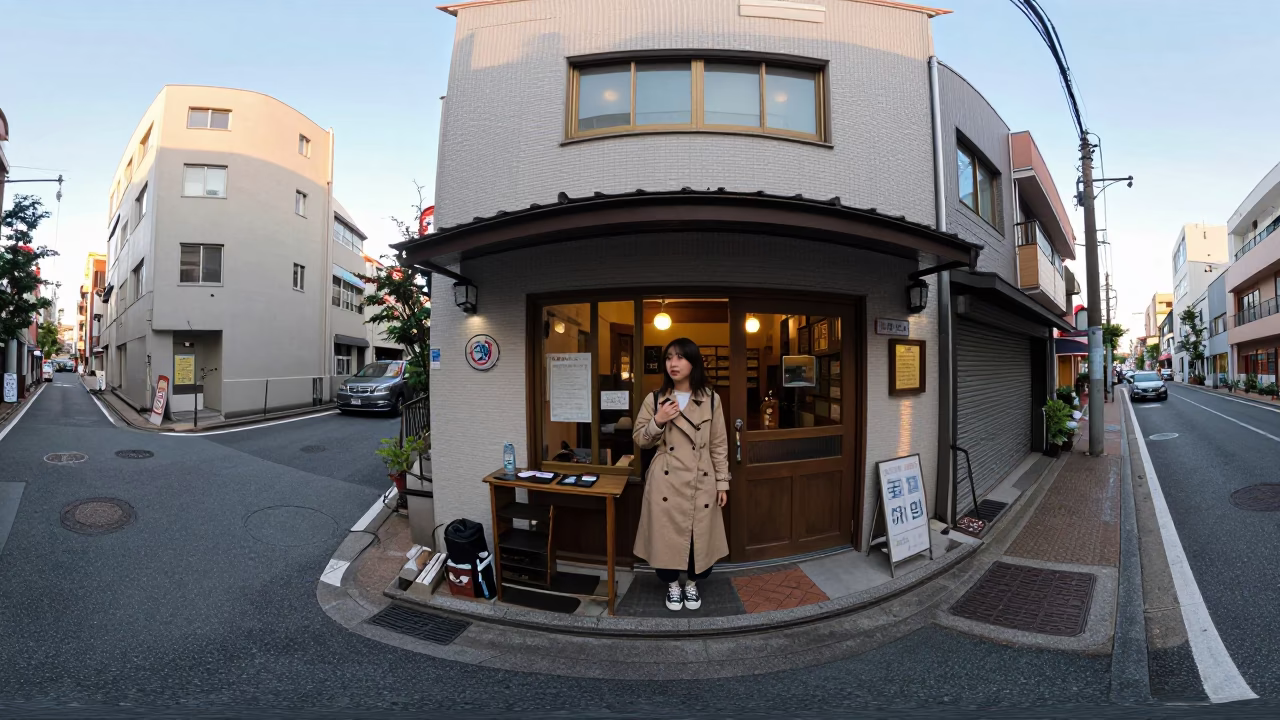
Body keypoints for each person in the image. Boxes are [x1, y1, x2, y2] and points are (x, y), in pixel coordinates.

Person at [632, 337, 730, 611]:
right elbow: (640, 439)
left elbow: (719, 443)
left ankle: (692, 584)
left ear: (693, 362)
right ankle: (672, 585)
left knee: (698, 536)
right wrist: (658, 421)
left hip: (701, 477)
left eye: (680, 357)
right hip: (665, 482)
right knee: (666, 537)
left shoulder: (712, 400)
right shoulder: (655, 398)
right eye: (668, 358)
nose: (673, 364)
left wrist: (722, 482)